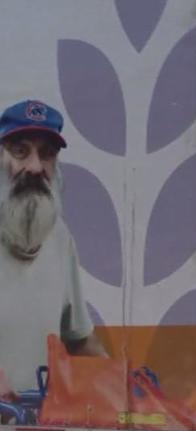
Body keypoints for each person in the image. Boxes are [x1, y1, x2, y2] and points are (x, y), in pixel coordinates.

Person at [0, 99, 106, 403]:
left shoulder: (59, 237)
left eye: (46, 154)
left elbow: (79, 338)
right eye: (20, 151)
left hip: (32, 427)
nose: (34, 167)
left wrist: (120, 386)